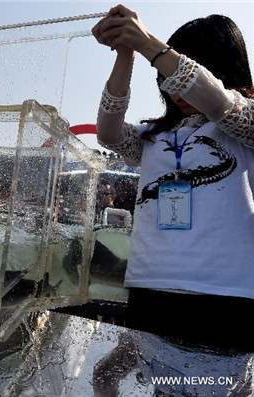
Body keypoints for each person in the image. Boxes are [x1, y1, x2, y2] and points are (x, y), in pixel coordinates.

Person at [92, 5, 254, 351]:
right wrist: (127, 54)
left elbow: (218, 102)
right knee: (160, 385)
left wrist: (151, 44)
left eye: (181, 69)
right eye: (166, 76)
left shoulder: (244, 122)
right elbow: (107, 133)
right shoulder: (154, 135)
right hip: (150, 284)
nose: (174, 85)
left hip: (227, 292)